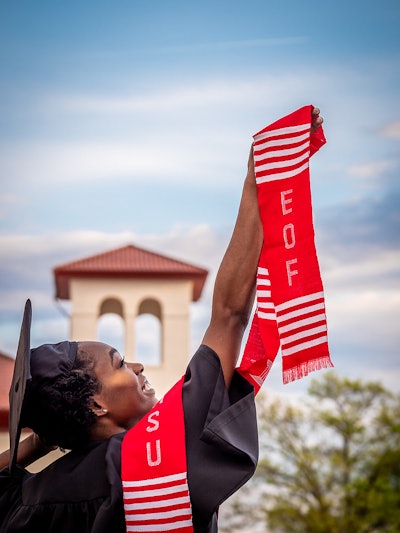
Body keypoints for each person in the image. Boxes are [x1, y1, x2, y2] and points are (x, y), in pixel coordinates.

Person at [0, 108, 324, 532]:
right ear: (95, 403)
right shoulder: (153, 454)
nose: (136, 366)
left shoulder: (29, 499)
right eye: (118, 363)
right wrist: (256, 180)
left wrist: (54, 429)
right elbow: (228, 316)